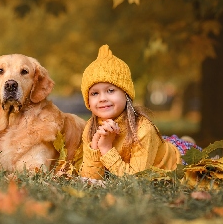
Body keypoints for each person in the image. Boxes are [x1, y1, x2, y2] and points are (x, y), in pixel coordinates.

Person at [79, 44, 201, 180]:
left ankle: (186, 143)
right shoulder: (90, 128)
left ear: (126, 94)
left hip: (174, 161)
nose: (102, 98)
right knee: (165, 143)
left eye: (111, 90)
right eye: (95, 93)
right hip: (153, 149)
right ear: (88, 100)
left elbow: (136, 180)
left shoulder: (142, 129)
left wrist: (107, 149)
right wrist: (95, 148)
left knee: (191, 155)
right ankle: (181, 140)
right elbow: (90, 179)